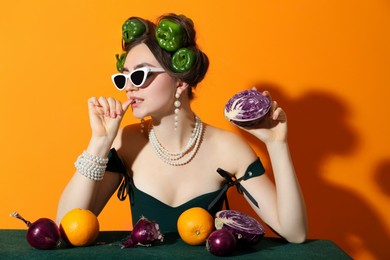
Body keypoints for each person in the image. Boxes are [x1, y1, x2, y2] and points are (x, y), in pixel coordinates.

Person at [56, 13, 307, 243]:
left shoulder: (228, 149)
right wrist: (99, 142)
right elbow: (66, 229)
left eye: (140, 75)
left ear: (180, 81)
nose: (129, 87)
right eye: (124, 77)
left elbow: (294, 232)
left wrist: (277, 144)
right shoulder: (127, 142)